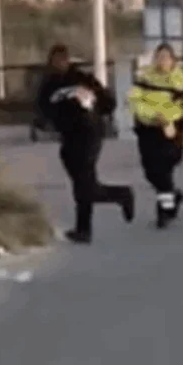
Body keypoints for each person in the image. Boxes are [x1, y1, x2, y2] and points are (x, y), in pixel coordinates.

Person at [36, 44, 135, 244]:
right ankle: (87, 226)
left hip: (89, 135)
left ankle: (118, 197)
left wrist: (93, 107)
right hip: (68, 138)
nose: (58, 64)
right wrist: (46, 124)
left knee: (84, 184)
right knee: (82, 185)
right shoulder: (48, 86)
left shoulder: (82, 79)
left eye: (62, 60)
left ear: (68, 60)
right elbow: (42, 111)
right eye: (54, 61)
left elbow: (108, 102)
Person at [128, 43, 183, 229]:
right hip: (148, 130)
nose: (162, 61)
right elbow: (133, 102)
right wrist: (153, 116)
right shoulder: (145, 77)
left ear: (173, 60)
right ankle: (173, 197)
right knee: (151, 172)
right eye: (159, 57)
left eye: (166, 57)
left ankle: (165, 210)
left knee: (164, 170)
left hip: (172, 131)